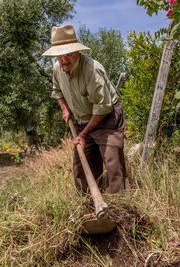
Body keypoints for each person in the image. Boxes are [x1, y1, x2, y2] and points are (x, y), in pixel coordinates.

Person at [42, 24, 127, 194]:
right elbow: (57, 91)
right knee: (82, 166)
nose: (64, 60)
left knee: (113, 163)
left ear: (77, 51)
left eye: (68, 54)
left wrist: (83, 134)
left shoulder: (92, 70)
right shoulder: (57, 69)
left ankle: (119, 208)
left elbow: (102, 108)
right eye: (59, 56)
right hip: (81, 119)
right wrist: (65, 108)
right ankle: (89, 206)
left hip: (105, 118)